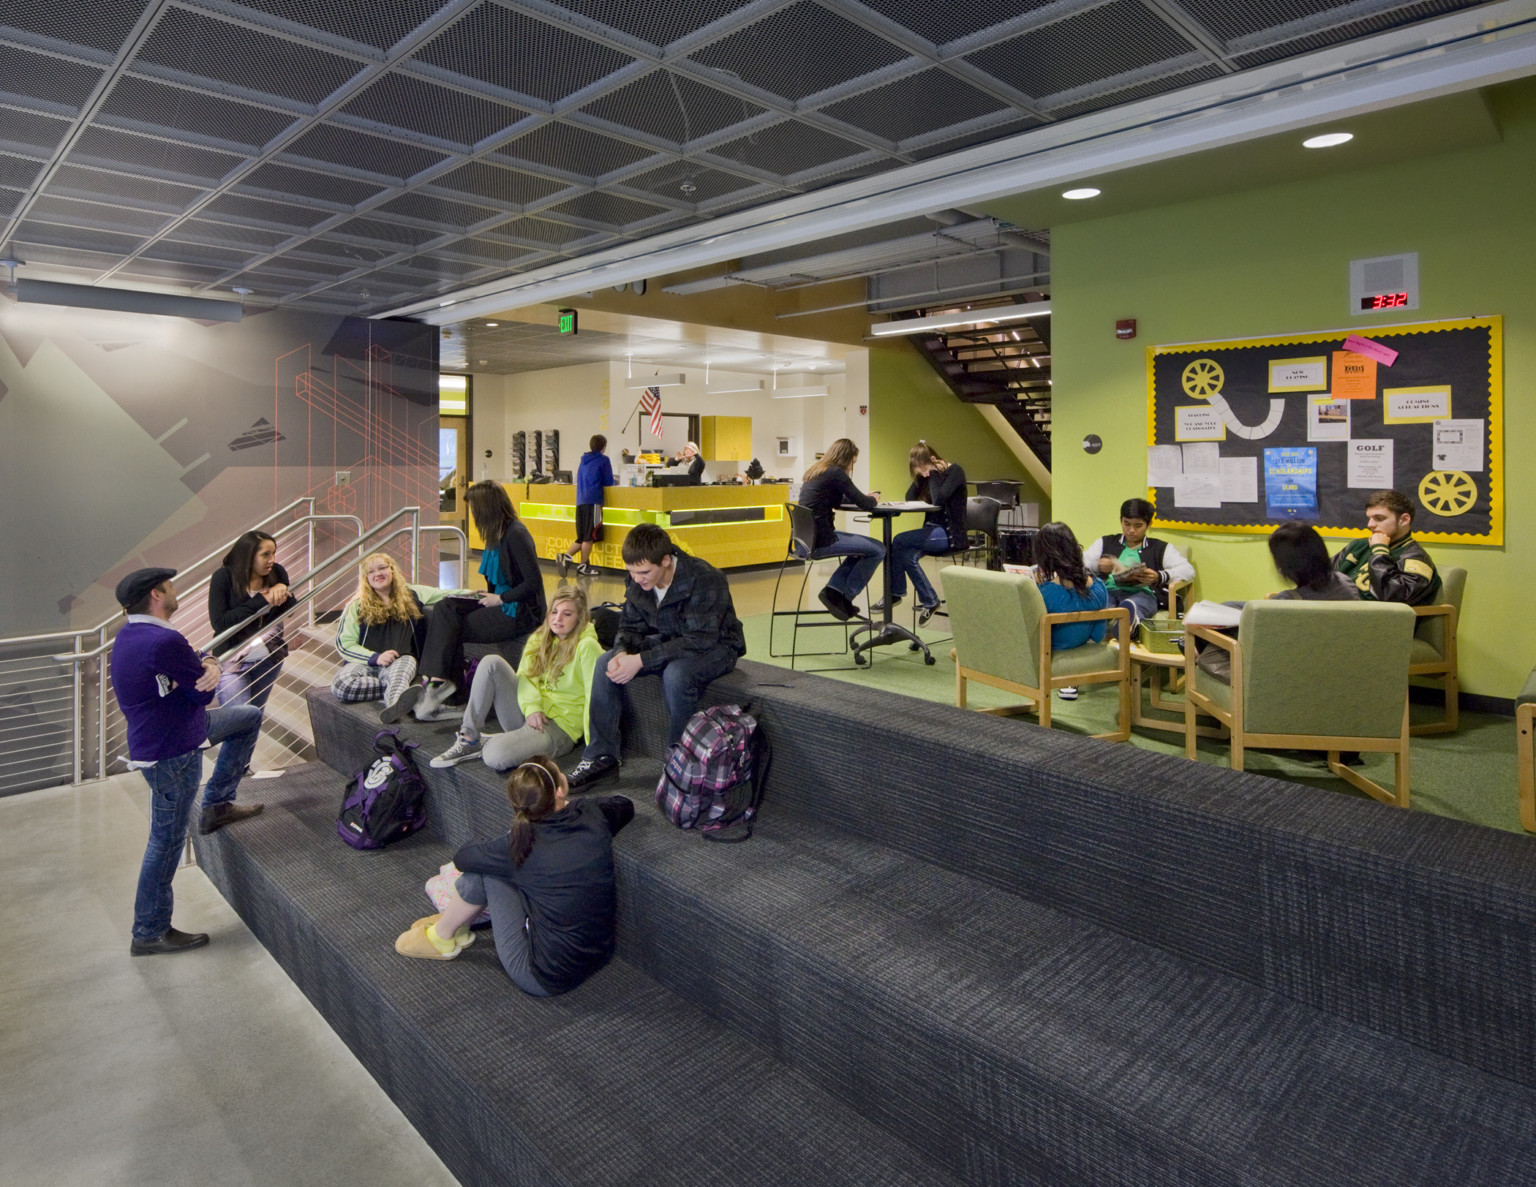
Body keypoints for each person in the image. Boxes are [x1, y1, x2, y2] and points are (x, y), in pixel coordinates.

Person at [111, 568, 265, 956]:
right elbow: (202, 694)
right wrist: (206, 671)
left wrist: (208, 663)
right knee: (165, 841)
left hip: (175, 733)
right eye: (171, 586)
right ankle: (149, 931)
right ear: (156, 594)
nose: (175, 590)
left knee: (247, 716)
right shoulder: (162, 640)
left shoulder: (133, 634)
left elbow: (198, 662)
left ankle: (217, 804)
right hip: (172, 750)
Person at [394, 756, 634, 996]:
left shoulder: (518, 845)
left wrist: (509, 837)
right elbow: (624, 805)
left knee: (486, 872)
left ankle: (443, 936)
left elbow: (463, 858)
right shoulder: (592, 814)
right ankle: (456, 926)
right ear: (560, 790)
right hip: (599, 954)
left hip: (542, 977)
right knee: (499, 868)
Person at [566, 524, 745, 790]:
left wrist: (640, 661)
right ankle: (601, 757)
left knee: (677, 674)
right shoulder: (639, 579)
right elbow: (628, 627)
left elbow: (699, 639)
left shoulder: (705, 578)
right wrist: (622, 653)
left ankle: (679, 763)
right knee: (605, 663)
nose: (637, 579)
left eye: (644, 572)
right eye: (632, 572)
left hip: (717, 645)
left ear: (665, 560)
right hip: (672, 637)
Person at [408, 481, 547, 721]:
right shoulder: (496, 534)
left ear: (486, 508)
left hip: (518, 611)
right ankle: (438, 681)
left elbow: (533, 583)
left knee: (453, 626)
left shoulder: (516, 534)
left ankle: (444, 688)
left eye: (473, 508)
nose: (471, 514)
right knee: (445, 607)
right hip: (499, 599)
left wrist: (500, 598)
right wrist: (485, 594)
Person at [431, 585, 603, 772]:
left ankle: (495, 742)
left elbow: (595, 698)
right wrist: (532, 708)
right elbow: (526, 678)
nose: (558, 618)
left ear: (580, 618)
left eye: (567, 614)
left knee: (494, 756)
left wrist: (594, 747)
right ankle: (470, 738)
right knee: (491, 662)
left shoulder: (587, 647)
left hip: (559, 728)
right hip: (529, 716)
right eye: (554, 612)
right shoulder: (540, 638)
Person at [1195, 521, 1360, 685]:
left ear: (1287, 566)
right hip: (1337, 659)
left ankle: (1194, 652)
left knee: (1212, 635)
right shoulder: (1345, 582)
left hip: (1290, 668)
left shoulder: (1285, 604)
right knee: (1229, 605)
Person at [330, 552, 471, 723]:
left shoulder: (414, 593)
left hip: (401, 659)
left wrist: (483, 594)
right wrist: (375, 658)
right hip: (365, 661)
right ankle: (411, 697)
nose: (378, 574)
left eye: (382, 568)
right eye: (371, 571)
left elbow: (451, 593)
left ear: (392, 570)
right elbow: (344, 644)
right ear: (366, 578)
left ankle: (394, 708)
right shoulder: (356, 605)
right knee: (341, 685)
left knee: (398, 679)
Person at [797, 437, 883, 622]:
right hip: (821, 540)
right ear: (847, 458)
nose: (852, 467)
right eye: (853, 462)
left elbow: (837, 500)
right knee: (878, 549)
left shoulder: (817, 471)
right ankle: (844, 597)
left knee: (861, 550)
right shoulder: (836, 473)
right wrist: (873, 498)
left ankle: (833, 592)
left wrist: (862, 497)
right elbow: (866, 505)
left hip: (805, 540)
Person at [879, 441, 966, 625]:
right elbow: (909, 498)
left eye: (924, 468)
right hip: (932, 531)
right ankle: (930, 600)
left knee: (898, 540)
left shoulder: (955, 472)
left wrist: (933, 472)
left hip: (949, 535)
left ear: (934, 460)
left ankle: (895, 593)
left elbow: (939, 500)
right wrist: (921, 477)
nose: (923, 473)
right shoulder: (927, 476)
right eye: (919, 471)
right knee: (905, 554)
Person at [1083, 498, 1195, 636]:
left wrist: (1159, 576)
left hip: (1143, 593)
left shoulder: (1160, 548)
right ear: (1121, 520)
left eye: (1138, 525)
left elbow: (1188, 570)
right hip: (1109, 591)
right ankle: (1114, 626)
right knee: (1103, 603)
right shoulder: (1105, 542)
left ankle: (1128, 621)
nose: (1131, 530)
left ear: (1149, 524)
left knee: (1134, 604)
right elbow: (1080, 562)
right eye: (1126, 524)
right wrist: (1098, 565)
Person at [208, 529, 293, 709]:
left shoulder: (276, 573)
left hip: (268, 658)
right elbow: (220, 622)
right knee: (238, 720)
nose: (272, 560)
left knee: (255, 715)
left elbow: (289, 610)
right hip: (232, 661)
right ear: (248, 556)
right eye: (265, 555)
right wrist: (262, 600)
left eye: (274, 553)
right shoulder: (223, 577)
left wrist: (283, 588)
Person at [1030, 523, 1110, 702]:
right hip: (1081, 644)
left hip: (1052, 650)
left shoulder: (1045, 593)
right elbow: (1098, 635)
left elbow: (1033, 634)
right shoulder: (1099, 589)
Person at [1331, 489, 1441, 605]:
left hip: (1372, 618)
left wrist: (1380, 552)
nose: (1370, 525)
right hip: (1334, 609)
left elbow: (1394, 598)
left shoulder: (1416, 558)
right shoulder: (1359, 546)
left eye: (1379, 518)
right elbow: (1322, 576)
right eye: (1369, 518)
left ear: (1404, 520)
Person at [560, 434, 614, 577]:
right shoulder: (604, 460)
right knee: (589, 536)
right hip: (594, 500)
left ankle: (566, 557)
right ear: (603, 446)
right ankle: (583, 566)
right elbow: (609, 481)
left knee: (582, 536)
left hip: (580, 501)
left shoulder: (583, 461)